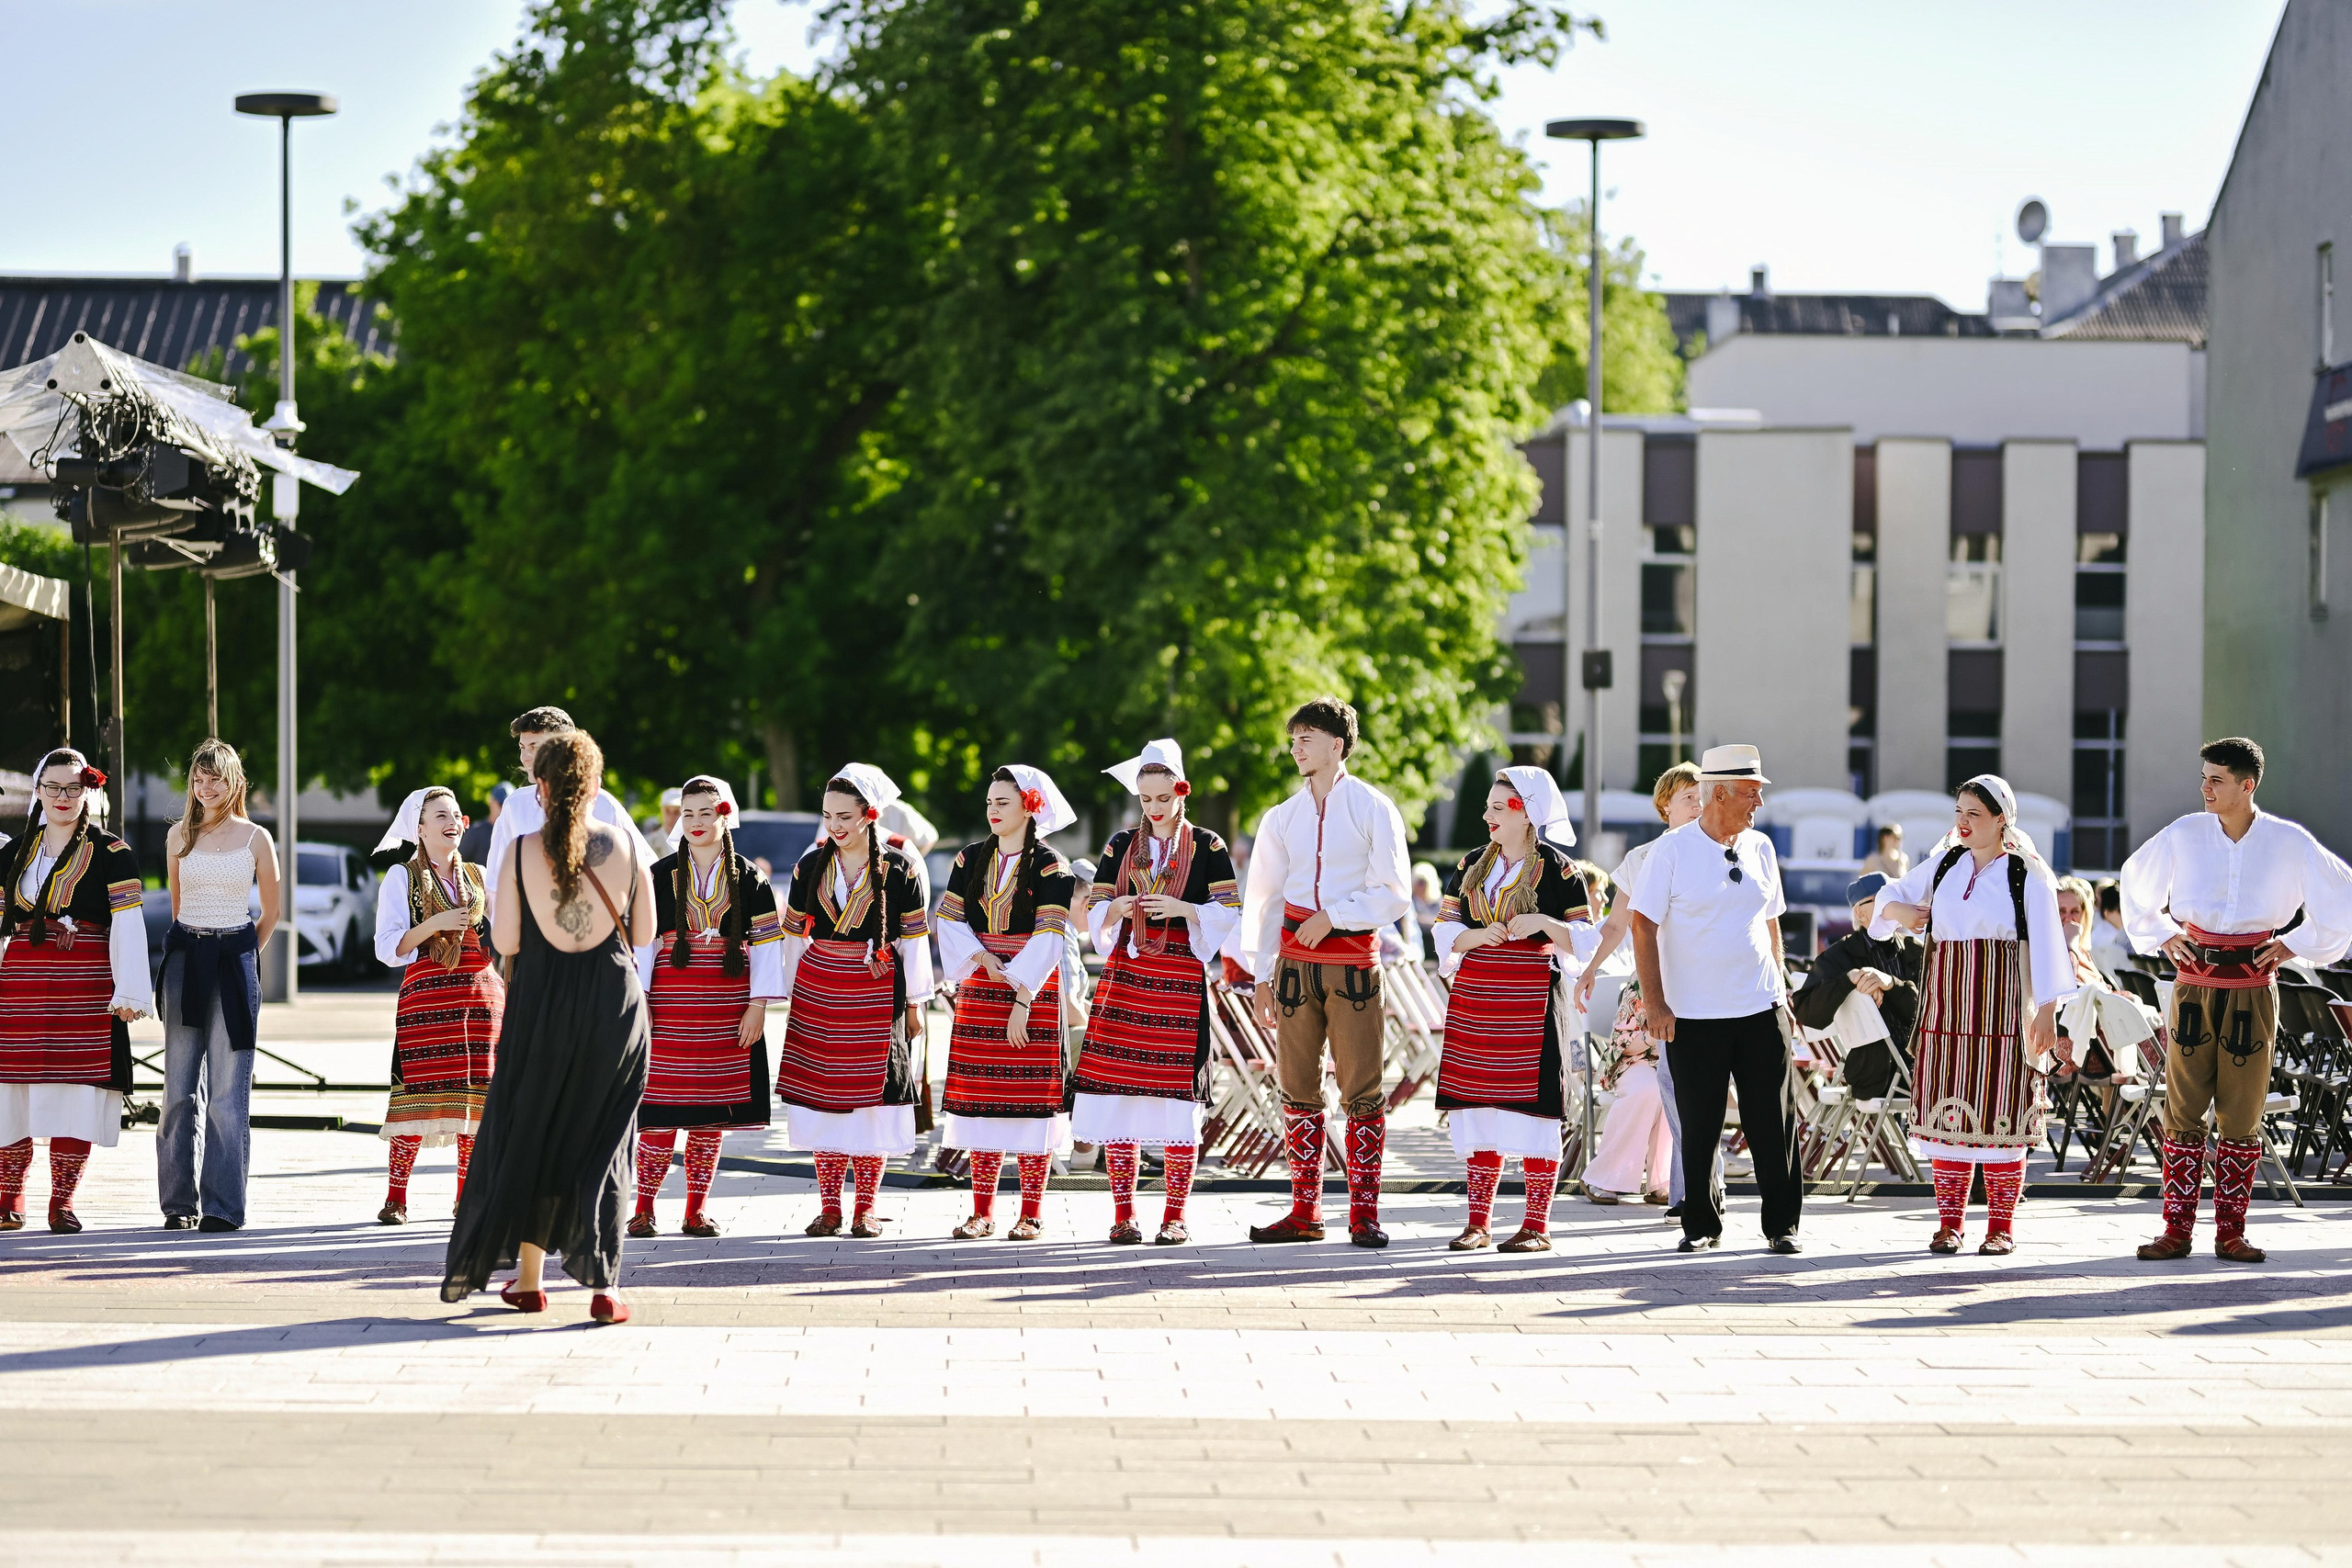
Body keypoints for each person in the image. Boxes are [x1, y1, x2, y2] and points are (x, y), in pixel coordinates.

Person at [442, 730, 654, 1322]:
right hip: (613, 1003)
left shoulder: (516, 852)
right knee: (605, 1141)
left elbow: (505, 941)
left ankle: (530, 1281)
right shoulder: (625, 846)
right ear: (594, 784)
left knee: (536, 1130)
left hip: (542, 1003)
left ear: (541, 784)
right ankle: (604, 1287)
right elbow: (642, 935)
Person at [2120, 738, 2352, 1264]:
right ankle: (2175, 1231)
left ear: (2247, 785)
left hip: (2252, 986)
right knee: (2182, 1106)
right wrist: (2162, 933)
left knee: (2241, 1111)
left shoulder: (2288, 842)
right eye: (2204, 777)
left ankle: (2231, 1233)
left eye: (2216, 778)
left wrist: (2294, 943)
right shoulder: (2184, 833)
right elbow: (2135, 885)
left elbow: (2343, 896)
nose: (2205, 787)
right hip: (2193, 982)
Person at [1869, 774, 2074, 1257]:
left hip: (2004, 1010)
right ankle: (1949, 1224)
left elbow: (2047, 946)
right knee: (1948, 1116)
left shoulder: (2026, 875)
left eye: (1973, 814)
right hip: (1946, 1010)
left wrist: (2046, 1013)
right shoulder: (1944, 865)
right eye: (1958, 812)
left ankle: (2001, 1226)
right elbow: (1884, 898)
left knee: (2003, 1116)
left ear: (2002, 819)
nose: (1962, 823)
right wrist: (1902, 911)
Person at [1241, 697, 1412, 1248]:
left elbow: (1395, 893)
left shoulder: (1373, 807)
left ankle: (1364, 1214)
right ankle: (1304, 1211)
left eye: (1306, 737)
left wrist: (1334, 916)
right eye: (1293, 738)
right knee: (1295, 1086)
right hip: (1292, 968)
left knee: (1363, 1087)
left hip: (1352, 964)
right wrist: (1263, 974)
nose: (1295, 748)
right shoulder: (1281, 816)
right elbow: (1263, 901)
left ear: (1338, 745)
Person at [1628, 744, 1802, 1255]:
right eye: (1752, 794)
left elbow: (1771, 920)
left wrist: (1781, 983)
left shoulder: (1761, 847)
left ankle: (1782, 1226)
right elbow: (1642, 926)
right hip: (1694, 1014)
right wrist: (1655, 1005)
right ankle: (1702, 1225)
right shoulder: (1672, 850)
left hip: (1760, 1006)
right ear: (1718, 794)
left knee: (1774, 1120)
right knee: (1700, 1123)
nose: (1759, 804)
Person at [1071, 740, 1241, 1244]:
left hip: (1179, 982)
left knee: (1174, 1101)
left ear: (1181, 792)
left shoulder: (1207, 845)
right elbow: (1096, 909)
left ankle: (1174, 1216)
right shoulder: (1120, 846)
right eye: (1145, 799)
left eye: (1162, 797)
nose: (1154, 807)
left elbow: (1229, 908)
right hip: (1126, 977)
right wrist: (1121, 906)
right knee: (1119, 1095)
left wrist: (1185, 910)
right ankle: (1124, 1215)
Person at [1428, 766, 1589, 1250]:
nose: (1487, 816)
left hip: (1532, 997)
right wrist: (1475, 935)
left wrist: (1541, 920)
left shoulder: (1562, 871)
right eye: (1488, 807)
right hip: (1478, 996)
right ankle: (1479, 1223)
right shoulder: (1473, 862)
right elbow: (1443, 924)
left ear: (1526, 813)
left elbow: (1586, 938)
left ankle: (1535, 1227)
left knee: (1534, 1111)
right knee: (1479, 1108)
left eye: (1498, 808)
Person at [774, 764, 933, 1237]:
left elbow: (913, 942)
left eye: (844, 816)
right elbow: (790, 935)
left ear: (870, 815)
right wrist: (788, 991)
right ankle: (829, 1207)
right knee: (823, 1099)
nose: (835, 826)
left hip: (876, 987)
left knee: (871, 1102)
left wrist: (916, 1004)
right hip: (820, 985)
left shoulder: (901, 867)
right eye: (828, 816)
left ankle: (865, 1207)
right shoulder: (811, 864)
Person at [0, 749, 149, 1233]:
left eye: (73, 787)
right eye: (53, 787)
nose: (63, 797)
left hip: (82, 992)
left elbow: (128, 924)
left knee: (76, 1093)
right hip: (17, 993)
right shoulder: (12, 853)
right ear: (39, 792)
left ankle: (61, 1202)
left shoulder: (112, 853)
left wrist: (130, 991)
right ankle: (7, 1196)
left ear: (88, 791)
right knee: (11, 1092)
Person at [629, 776, 784, 1239]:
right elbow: (642, 946)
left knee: (710, 1113)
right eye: (687, 812)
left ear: (725, 815)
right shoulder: (658, 875)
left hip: (727, 1005)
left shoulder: (750, 878)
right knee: (658, 1109)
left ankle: (695, 1211)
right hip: (670, 1005)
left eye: (705, 812)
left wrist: (758, 1006)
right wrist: (641, 1004)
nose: (695, 822)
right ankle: (643, 1208)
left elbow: (767, 947)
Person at [933, 767, 1080, 1239]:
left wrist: (1021, 996)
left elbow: (1050, 936)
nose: (993, 810)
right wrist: (980, 956)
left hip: (1032, 987)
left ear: (1029, 806)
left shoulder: (1052, 865)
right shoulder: (970, 857)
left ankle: (1031, 1211)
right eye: (990, 802)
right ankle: (982, 1211)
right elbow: (949, 918)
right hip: (980, 980)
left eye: (1003, 802)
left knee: (1031, 1099)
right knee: (982, 1100)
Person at [1577, 761, 1706, 1214]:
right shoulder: (1642, 858)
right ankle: (1606, 1176)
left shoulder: (1715, 852)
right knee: (1647, 1088)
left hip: (1697, 989)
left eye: (1702, 797)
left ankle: (1666, 1183)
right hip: (1648, 996)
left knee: (1686, 1087)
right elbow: (1616, 925)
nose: (1698, 804)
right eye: (1689, 797)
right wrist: (1591, 968)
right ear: (1665, 803)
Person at [156, 739, 276, 1234]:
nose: (207, 788)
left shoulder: (255, 838)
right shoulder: (178, 836)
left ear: (235, 781)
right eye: (199, 779)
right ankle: (176, 1202)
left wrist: (244, 958)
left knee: (229, 1092)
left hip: (234, 961)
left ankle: (223, 1206)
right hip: (186, 961)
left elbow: (271, 913)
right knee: (178, 1090)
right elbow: (179, 906)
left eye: (216, 779)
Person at [371, 786, 503, 1224]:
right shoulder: (400, 876)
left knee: (477, 1101)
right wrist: (436, 924)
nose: (452, 821)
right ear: (420, 828)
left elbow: (503, 934)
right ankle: (396, 1197)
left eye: (457, 813)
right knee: (415, 1095)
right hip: (426, 999)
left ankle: (466, 1196)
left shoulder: (480, 874)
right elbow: (387, 947)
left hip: (481, 996)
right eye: (440, 814)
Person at [483, 706, 650, 896]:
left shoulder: (604, 805)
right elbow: (495, 884)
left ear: (564, 750)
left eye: (534, 747)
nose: (525, 758)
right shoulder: (514, 806)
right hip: (530, 921)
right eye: (522, 747)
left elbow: (645, 868)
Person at [1791, 872, 1923, 1103]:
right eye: (1883, 899)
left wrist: (1892, 984)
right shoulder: (1839, 957)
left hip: (1923, 1067)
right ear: (1860, 913)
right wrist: (1848, 981)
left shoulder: (1916, 950)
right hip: (1874, 1074)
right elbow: (1807, 1013)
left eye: (1896, 899)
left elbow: (1934, 1012)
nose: (1894, 906)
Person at [2089, 878, 2135, 980]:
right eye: (2120, 911)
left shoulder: (2098, 933)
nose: (2124, 916)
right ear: (2107, 913)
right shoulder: (2116, 938)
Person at [458, 783, 508, 869]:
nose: (505, 809)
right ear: (491, 803)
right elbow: (459, 863)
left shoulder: (515, 832)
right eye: (501, 804)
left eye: (508, 805)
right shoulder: (476, 832)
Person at [1410, 863, 1444, 963]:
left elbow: (1445, 924)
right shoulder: (1410, 903)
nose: (1418, 886)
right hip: (1417, 949)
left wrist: (1419, 919)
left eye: (1421, 882)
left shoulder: (1439, 903)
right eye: (1415, 881)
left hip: (1436, 953)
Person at [642, 786, 683, 861]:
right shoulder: (647, 844)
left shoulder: (696, 843)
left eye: (676, 812)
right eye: (668, 811)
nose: (671, 817)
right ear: (662, 811)